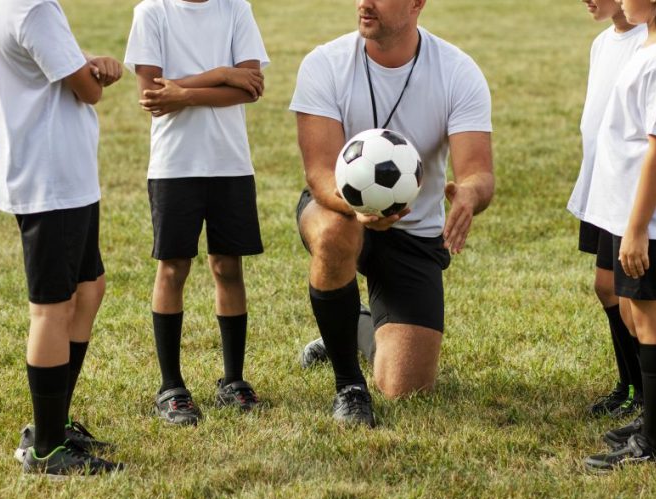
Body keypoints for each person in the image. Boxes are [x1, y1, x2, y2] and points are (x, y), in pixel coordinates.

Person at [290, 0, 494, 426]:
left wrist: (468, 196)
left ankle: (355, 327)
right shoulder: (324, 64)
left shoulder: (457, 71)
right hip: (339, 210)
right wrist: (355, 207)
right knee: (332, 233)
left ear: (417, 3)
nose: (364, 2)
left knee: (406, 386)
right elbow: (320, 173)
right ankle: (349, 386)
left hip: (414, 232)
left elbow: (477, 172)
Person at [0, 0, 124, 474]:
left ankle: (54, 423)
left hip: (64, 176)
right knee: (52, 307)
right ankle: (45, 450)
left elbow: (61, 65)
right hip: (50, 180)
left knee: (89, 288)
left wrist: (86, 65)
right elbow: (87, 91)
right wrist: (98, 74)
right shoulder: (33, 7)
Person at [124, 0, 270, 425]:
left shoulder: (235, 9)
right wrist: (222, 74)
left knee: (229, 266)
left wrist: (185, 92)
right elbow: (151, 95)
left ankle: (233, 380)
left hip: (230, 162)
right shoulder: (152, 12)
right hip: (175, 164)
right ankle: (171, 387)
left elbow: (251, 88)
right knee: (173, 267)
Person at [583, 0, 656, 470]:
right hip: (622, 213)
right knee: (632, 314)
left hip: (645, 220)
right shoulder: (647, 48)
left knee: (654, 324)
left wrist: (637, 230)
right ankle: (654, 423)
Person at [568, 0, 647, 418]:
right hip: (601, 187)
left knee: (632, 297)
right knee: (605, 287)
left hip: (627, 192)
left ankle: (644, 390)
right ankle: (629, 382)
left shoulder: (648, 44)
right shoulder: (602, 43)